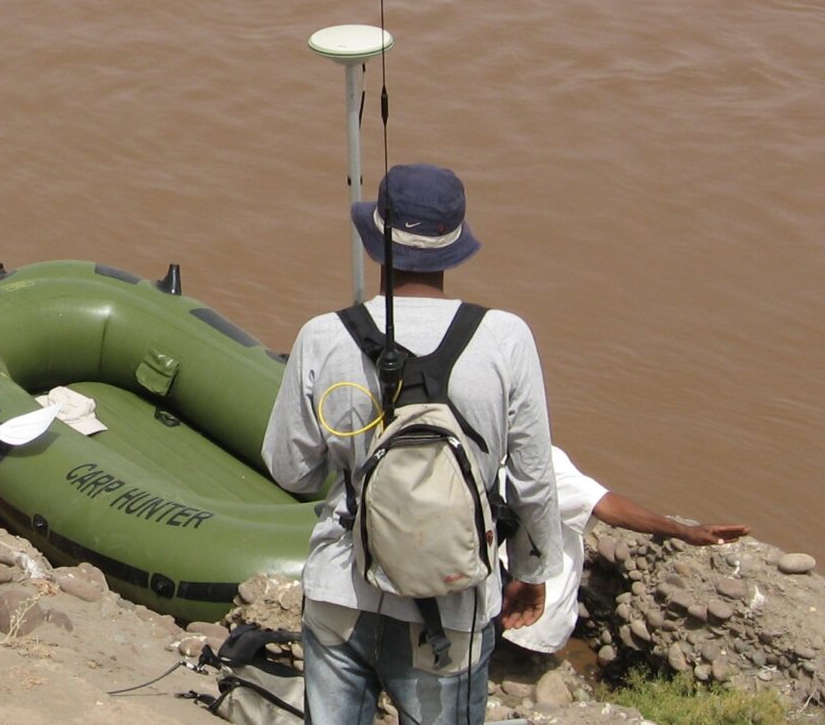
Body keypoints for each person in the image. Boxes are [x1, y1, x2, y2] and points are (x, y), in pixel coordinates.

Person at [263, 163, 564, 725]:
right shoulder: (506, 338)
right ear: (455, 247)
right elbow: (533, 480)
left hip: (341, 590)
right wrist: (531, 569)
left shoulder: (323, 336)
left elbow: (289, 470)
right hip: (451, 603)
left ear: (376, 241)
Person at [501, 447, 750, 653]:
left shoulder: (533, 459)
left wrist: (685, 532)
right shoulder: (519, 454)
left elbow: (605, 506)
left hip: (527, 620)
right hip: (511, 611)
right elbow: (603, 505)